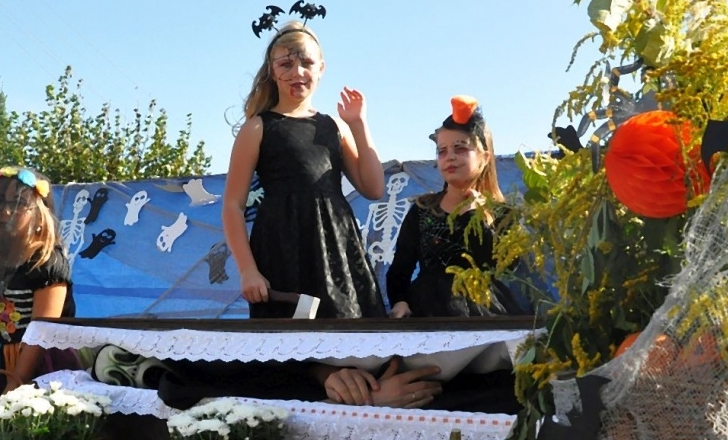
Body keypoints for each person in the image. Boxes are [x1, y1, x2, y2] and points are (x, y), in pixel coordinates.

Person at [222, 20, 386, 319]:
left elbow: (374, 188)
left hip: (337, 248)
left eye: (307, 63)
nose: (297, 73)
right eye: (286, 64)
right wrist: (248, 271)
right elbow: (232, 205)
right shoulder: (257, 127)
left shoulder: (334, 126)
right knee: (291, 350)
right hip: (281, 249)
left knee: (351, 338)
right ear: (272, 71)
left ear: (321, 68)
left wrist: (359, 124)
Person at [386, 96, 524, 318]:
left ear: (484, 157)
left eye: (460, 149)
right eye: (442, 151)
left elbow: (508, 267)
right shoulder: (423, 209)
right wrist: (400, 302)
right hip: (427, 309)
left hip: (483, 309)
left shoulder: (502, 214)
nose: (449, 157)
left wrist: (481, 217)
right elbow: (400, 268)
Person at [0, 166, 75, 413]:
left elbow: (41, 334)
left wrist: (11, 389)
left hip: (44, 365)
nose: (5, 212)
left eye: (17, 204)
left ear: (39, 214)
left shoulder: (48, 263)